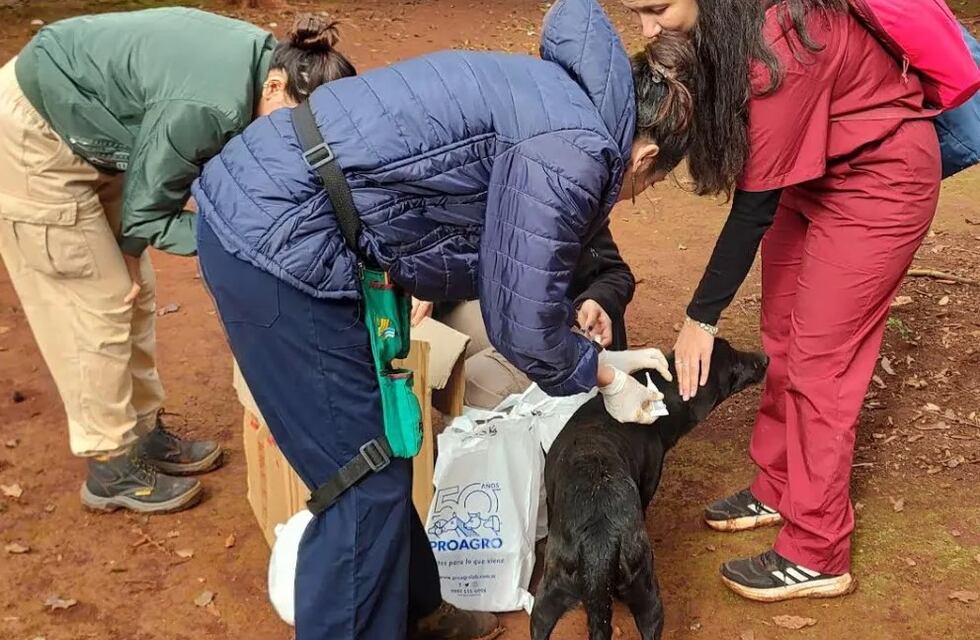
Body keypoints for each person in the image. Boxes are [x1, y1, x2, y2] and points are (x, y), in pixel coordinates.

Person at [194, 0, 695, 637]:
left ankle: (420, 609)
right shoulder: (575, 147)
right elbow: (522, 324)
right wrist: (605, 377)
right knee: (361, 482)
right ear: (645, 156)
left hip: (281, 206)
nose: (630, 198)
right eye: (644, 189)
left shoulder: (559, 95)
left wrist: (597, 351)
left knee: (379, 454)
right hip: (274, 241)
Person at [621, 0, 942, 602]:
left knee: (823, 362)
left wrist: (701, 318)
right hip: (811, 170)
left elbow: (754, 205)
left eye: (656, 8)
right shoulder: (726, 22)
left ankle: (818, 551)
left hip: (880, 178)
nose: (647, 28)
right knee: (782, 335)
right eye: (636, 11)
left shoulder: (780, 39)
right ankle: (779, 484)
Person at [0, 9, 354, 514]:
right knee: (96, 304)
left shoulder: (272, 66)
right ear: (275, 88)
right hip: (34, 136)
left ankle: (141, 433)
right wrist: (252, 242)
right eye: (295, 126)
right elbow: (150, 215)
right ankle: (109, 464)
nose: (295, 144)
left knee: (135, 289)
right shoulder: (207, 106)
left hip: (102, 130)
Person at [413, 224, 636, 409]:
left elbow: (615, 273)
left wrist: (597, 299)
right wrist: (429, 284)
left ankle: (503, 447)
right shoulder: (472, 186)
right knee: (432, 351)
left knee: (471, 387)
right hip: (505, 313)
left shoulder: (565, 198)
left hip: (561, 335)